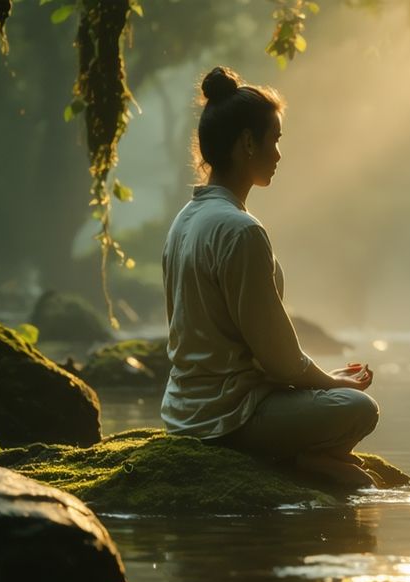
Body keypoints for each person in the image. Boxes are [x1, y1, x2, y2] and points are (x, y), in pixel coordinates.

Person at [161, 65, 380, 488]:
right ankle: (304, 461)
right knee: (360, 407)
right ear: (247, 143)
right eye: (274, 140)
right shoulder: (241, 230)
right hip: (228, 417)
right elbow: (279, 358)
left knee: (338, 398)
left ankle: (310, 455)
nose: (279, 154)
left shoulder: (185, 220)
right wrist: (330, 381)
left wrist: (315, 380)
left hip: (182, 411)